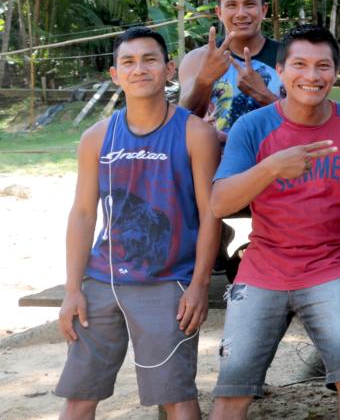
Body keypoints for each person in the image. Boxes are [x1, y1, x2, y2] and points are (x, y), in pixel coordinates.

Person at [209, 25, 340, 420]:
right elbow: (219, 202)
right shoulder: (254, 126)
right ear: (280, 70)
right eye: (299, 65)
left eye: (322, 67)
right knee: (232, 388)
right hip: (262, 269)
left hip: (331, 269)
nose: (311, 76)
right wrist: (273, 167)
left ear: (335, 72)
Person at [56, 27, 220, 420]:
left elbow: (210, 211)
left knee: (177, 398)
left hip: (167, 283)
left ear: (169, 70)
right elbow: (82, 213)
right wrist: (73, 289)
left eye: (149, 60)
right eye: (127, 62)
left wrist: (198, 285)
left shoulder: (195, 133)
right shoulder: (97, 137)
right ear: (115, 74)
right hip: (102, 281)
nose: (139, 69)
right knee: (79, 397)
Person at [178, 0, 281, 137]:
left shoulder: (286, 57)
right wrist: (204, 79)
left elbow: (305, 120)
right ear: (219, 12)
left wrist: (264, 96)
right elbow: (181, 118)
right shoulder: (196, 59)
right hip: (214, 159)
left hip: (275, 157)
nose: (241, 13)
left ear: (264, 10)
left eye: (249, 4)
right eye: (231, 5)